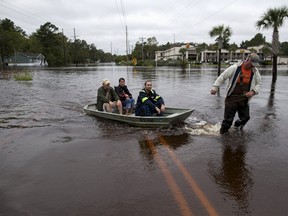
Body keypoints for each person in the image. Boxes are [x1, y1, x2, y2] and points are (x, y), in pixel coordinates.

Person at [210, 53, 262, 134]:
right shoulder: (235, 68)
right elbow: (222, 77)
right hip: (231, 98)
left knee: (245, 118)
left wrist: (253, 92)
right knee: (228, 121)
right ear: (247, 59)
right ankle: (222, 136)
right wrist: (215, 87)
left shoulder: (255, 71)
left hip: (244, 99)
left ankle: (236, 128)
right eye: (251, 64)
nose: (252, 66)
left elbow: (259, 83)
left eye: (254, 65)